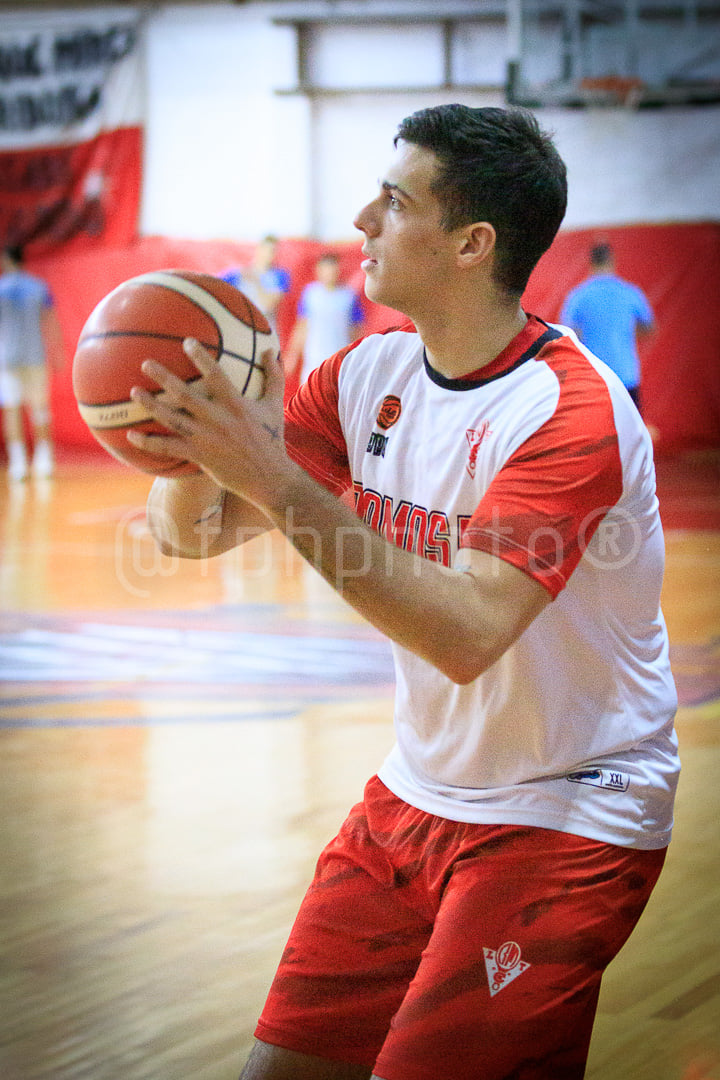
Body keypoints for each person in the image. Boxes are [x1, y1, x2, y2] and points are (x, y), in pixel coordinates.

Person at [127, 105, 679, 1080]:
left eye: (393, 201)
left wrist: (271, 475)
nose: (360, 220)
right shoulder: (364, 374)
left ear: (472, 243)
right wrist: (186, 439)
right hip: (416, 792)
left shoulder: (568, 411)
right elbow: (192, 538)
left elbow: (468, 633)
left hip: (571, 806)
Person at [559, 242, 656, 411]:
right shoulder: (630, 292)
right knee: (629, 435)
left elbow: (567, 334)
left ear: (591, 262)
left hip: (593, 378)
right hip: (626, 375)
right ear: (612, 261)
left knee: (594, 434)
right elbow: (649, 328)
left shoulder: (578, 296)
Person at [0, 246, 65, 481]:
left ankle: (18, 464)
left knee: (12, 410)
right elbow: (51, 322)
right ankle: (44, 460)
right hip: (35, 357)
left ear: (7, 259)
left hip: (8, 360)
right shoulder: (38, 287)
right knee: (40, 410)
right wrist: (58, 353)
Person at [284, 251, 365, 383]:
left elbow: (356, 331)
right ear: (319, 270)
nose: (330, 272)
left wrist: (359, 358)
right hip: (313, 361)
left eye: (333, 268)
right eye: (326, 268)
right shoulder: (310, 294)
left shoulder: (349, 297)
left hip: (339, 362)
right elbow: (302, 326)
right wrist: (292, 355)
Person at [221, 234, 291, 333]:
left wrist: (257, 282)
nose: (268, 254)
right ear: (259, 249)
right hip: (242, 331)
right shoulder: (238, 274)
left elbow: (268, 305)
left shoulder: (279, 276)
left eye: (273, 251)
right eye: (265, 250)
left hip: (266, 333)